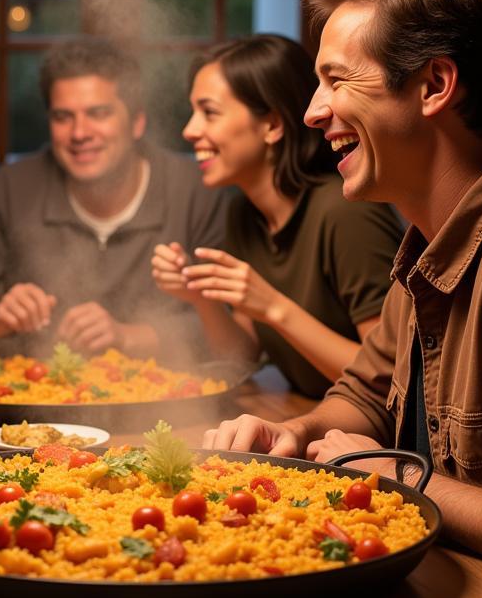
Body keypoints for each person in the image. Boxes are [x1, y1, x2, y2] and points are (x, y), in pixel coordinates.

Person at [205, 0, 482, 585]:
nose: (313, 112)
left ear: (434, 85)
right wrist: (292, 434)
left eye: (338, 80)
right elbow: (366, 394)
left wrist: (395, 476)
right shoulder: (431, 237)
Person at [0, 37, 228, 361]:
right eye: (63, 117)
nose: (79, 133)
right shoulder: (11, 188)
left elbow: (232, 327)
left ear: (137, 122)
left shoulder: (194, 189)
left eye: (98, 113)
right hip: (33, 398)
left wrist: (127, 337)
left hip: (167, 398)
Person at [151, 36, 402, 397]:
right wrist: (201, 298)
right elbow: (242, 356)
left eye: (209, 112)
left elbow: (390, 377)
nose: (189, 130)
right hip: (308, 415)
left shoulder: (345, 213)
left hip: (372, 440)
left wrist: (271, 306)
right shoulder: (243, 213)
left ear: (272, 125)